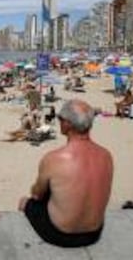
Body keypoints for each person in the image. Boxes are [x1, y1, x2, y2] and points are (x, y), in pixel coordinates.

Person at [19, 99, 113, 247]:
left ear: (67, 124)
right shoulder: (106, 156)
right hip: (94, 233)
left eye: (60, 118)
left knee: (26, 202)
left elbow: (37, 195)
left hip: (61, 234)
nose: (59, 121)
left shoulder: (54, 158)